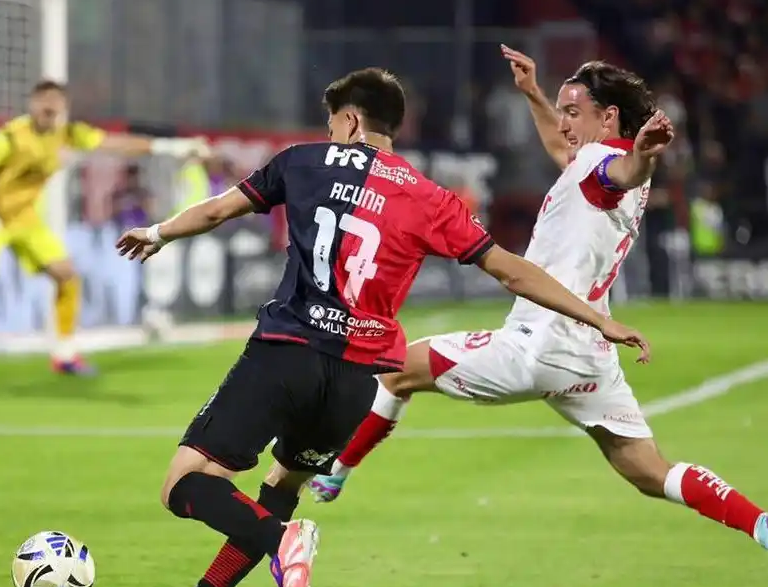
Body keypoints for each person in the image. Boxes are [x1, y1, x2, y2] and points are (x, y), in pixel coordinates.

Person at [115, 67, 650, 587]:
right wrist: (595, 315)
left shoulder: (301, 161)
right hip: (355, 381)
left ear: (349, 119)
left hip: (286, 352)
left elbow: (218, 210)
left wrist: (160, 232)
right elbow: (509, 269)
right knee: (280, 483)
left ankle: (281, 542)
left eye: (332, 120)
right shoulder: (429, 197)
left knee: (184, 485)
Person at [308, 49, 768, 554]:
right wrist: (532, 93)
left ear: (608, 116)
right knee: (650, 471)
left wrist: (644, 155)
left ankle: (336, 471)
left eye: (573, 111)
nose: (564, 122)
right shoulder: (593, 163)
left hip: (538, 345)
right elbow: (572, 152)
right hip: (589, 356)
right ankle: (759, 524)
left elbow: (623, 170)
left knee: (396, 371)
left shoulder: (609, 165)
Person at [0, 79, 208, 381]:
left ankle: (63, 353)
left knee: (67, 275)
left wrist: (169, 146)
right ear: (33, 105)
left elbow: (115, 145)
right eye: (43, 101)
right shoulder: (12, 136)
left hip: (25, 219)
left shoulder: (68, 134)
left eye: (55, 102)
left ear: (63, 107)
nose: (49, 108)